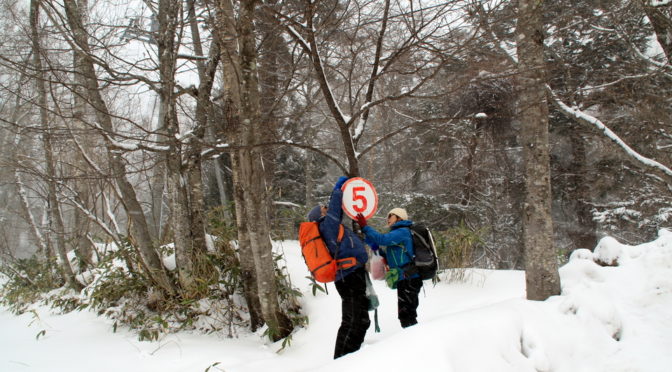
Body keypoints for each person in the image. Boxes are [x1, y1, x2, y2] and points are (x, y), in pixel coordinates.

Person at [307, 176, 370, 359]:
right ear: (320, 216)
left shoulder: (331, 229)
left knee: (359, 319)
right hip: (348, 276)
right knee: (353, 320)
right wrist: (338, 189)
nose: (326, 208)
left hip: (350, 275)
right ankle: (343, 361)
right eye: (323, 209)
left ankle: (349, 356)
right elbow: (335, 207)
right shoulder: (327, 226)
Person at [355, 208, 422, 328]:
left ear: (399, 217)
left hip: (409, 278)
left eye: (390, 215)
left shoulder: (402, 231)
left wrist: (365, 226)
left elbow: (382, 239)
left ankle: (415, 341)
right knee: (407, 314)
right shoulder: (398, 233)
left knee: (406, 315)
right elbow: (391, 257)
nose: (388, 218)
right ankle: (414, 339)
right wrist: (376, 248)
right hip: (406, 279)